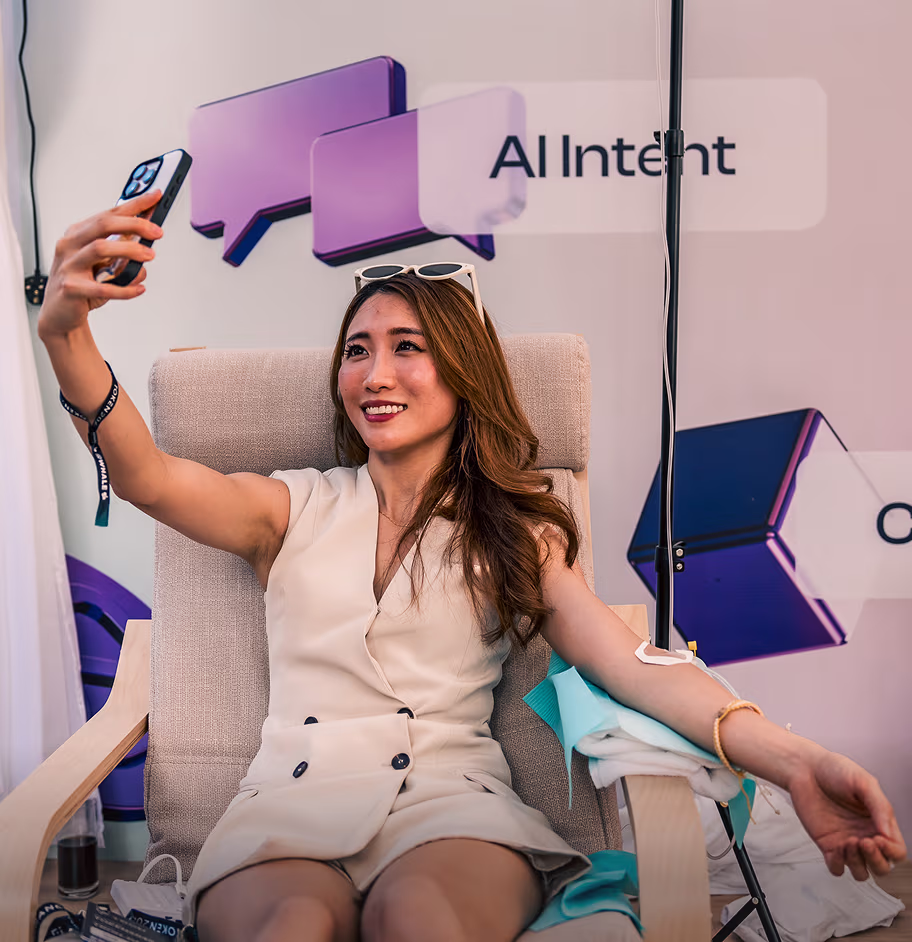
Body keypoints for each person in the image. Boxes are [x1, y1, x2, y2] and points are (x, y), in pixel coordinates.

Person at [38, 189, 906, 942]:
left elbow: (629, 665)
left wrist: (793, 762)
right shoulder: (286, 507)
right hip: (286, 812)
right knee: (294, 930)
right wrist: (66, 329)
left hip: (450, 808)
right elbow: (146, 475)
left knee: (416, 926)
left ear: (463, 372)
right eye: (357, 349)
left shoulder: (515, 532)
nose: (375, 373)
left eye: (408, 346)